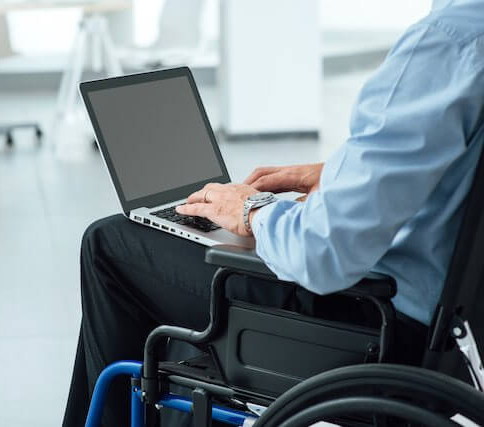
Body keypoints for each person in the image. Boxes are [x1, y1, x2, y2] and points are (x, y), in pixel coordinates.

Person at [63, 0, 484, 425]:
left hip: (373, 329)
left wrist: (251, 210)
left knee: (109, 245)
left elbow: (322, 253)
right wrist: (337, 176)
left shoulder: (449, 41)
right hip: (450, 339)